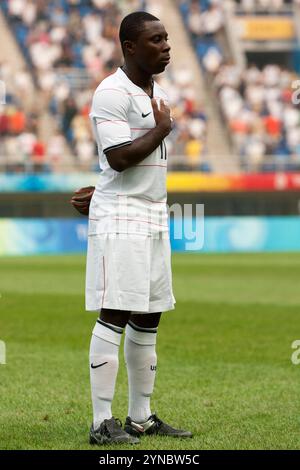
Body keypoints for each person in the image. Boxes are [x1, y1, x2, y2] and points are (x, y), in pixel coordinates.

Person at [72, 11, 193, 445]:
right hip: (121, 214)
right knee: (116, 311)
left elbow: (115, 163)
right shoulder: (111, 92)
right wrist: (161, 129)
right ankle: (101, 422)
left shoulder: (157, 90)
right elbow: (120, 157)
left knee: (149, 314)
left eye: (166, 38)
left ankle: (140, 417)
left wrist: (101, 181)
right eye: (156, 40)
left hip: (154, 212)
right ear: (130, 47)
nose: (166, 46)